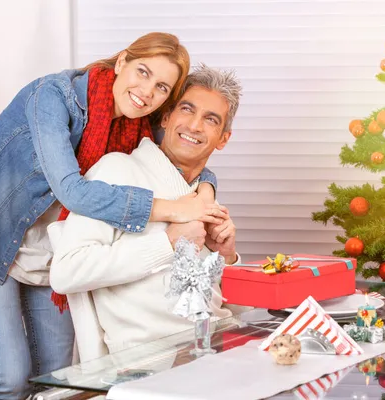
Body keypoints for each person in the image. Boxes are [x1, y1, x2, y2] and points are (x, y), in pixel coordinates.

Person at [0, 32, 228, 400]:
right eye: (142, 72)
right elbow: (71, 191)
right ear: (121, 61)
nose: (146, 91)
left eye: (161, 88)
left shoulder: (136, 123)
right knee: (10, 377)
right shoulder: (53, 97)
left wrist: (206, 191)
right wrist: (173, 210)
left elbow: (186, 149)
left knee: (58, 382)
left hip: (47, 255)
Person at [48, 65, 243, 361]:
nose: (194, 125)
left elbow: (234, 310)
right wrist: (167, 243)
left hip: (219, 351)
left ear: (223, 138)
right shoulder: (118, 171)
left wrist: (227, 258)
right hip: (155, 364)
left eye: (210, 119)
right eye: (187, 110)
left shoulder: (202, 198)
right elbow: (66, 272)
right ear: (166, 117)